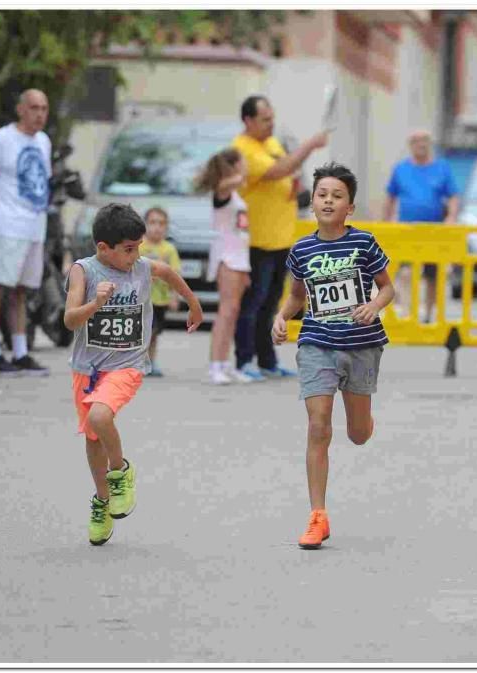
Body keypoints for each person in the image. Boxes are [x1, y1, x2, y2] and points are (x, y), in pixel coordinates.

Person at [272, 162, 395, 550]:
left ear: (350, 207)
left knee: (357, 435)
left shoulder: (363, 244)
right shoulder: (302, 250)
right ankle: (317, 516)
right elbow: (296, 296)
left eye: (337, 196)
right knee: (319, 424)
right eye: (322, 194)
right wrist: (281, 317)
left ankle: (364, 419)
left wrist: (374, 306)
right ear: (313, 203)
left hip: (361, 345)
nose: (328, 201)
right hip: (316, 344)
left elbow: (388, 289)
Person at [63, 203, 203, 546]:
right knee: (93, 435)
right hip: (88, 368)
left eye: (138, 247)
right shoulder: (83, 272)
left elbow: (168, 273)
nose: (136, 255)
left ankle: (120, 471)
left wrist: (193, 303)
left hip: (126, 365)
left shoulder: (140, 269)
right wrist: (95, 304)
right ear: (103, 249)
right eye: (128, 249)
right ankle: (102, 501)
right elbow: (70, 320)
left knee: (100, 415)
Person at [232, 94, 329, 381]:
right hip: (257, 240)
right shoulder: (242, 149)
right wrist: (310, 145)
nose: (270, 125)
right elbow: (277, 170)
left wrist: (294, 179)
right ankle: (243, 360)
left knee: (272, 304)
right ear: (248, 121)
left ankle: (267, 360)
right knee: (253, 304)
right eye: (265, 120)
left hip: (280, 238)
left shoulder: (271, 143)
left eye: (272, 119)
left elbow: (286, 169)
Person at [0, 89, 52, 376]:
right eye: (34, 108)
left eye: (44, 108)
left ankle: (20, 351)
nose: (40, 114)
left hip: (34, 226)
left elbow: (43, 180)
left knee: (21, 291)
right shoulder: (1, 139)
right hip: (6, 224)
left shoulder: (43, 141)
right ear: (20, 109)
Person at [382, 129, 460, 322]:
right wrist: (386, 222)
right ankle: (408, 311)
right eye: (417, 141)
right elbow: (390, 197)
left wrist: (451, 217)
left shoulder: (442, 168)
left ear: (430, 144)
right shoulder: (401, 169)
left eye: (425, 140)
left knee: (432, 274)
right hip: (406, 230)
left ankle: (428, 313)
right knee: (405, 272)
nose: (421, 144)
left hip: (433, 231)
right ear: (410, 145)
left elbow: (453, 196)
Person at [197, 147, 254, 385]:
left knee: (233, 313)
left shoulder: (237, 195)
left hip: (240, 258)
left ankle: (225, 363)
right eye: (243, 161)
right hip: (227, 258)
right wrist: (240, 171)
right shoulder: (223, 192)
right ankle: (215, 365)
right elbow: (225, 185)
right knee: (225, 311)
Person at [138, 206, 181, 377]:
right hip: (140, 300)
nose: (157, 227)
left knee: (154, 333)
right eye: (153, 223)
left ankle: (150, 361)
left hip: (160, 300)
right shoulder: (138, 247)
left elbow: (175, 274)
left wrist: (174, 296)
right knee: (142, 332)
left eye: (161, 224)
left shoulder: (169, 249)